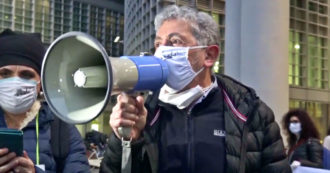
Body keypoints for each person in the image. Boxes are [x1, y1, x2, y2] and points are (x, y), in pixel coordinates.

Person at [100, 5, 291, 173]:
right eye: (158, 43)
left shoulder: (250, 112)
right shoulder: (145, 110)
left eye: (174, 42)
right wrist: (126, 142)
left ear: (209, 55)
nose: (161, 52)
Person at [0, 29, 90, 173]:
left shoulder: (61, 129)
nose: (15, 82)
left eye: (26, 74)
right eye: (5, 73)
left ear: (40, 83)